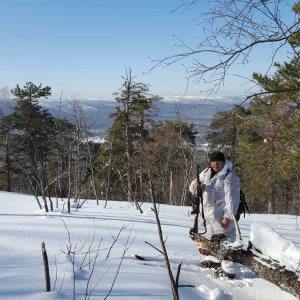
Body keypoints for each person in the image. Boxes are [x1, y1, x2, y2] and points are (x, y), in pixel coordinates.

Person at [189, 151, 240, 242]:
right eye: (213, 162)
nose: (216, 164)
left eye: (219, 162)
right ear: (211, 162)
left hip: (222, 220)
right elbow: (192, 186)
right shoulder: (206, 173)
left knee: (226, 247)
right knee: (211, 249)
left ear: (223, 162)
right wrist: (195, 186)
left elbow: (232, 199)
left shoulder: (229, 176)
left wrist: (227, 218)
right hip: (208, 219)